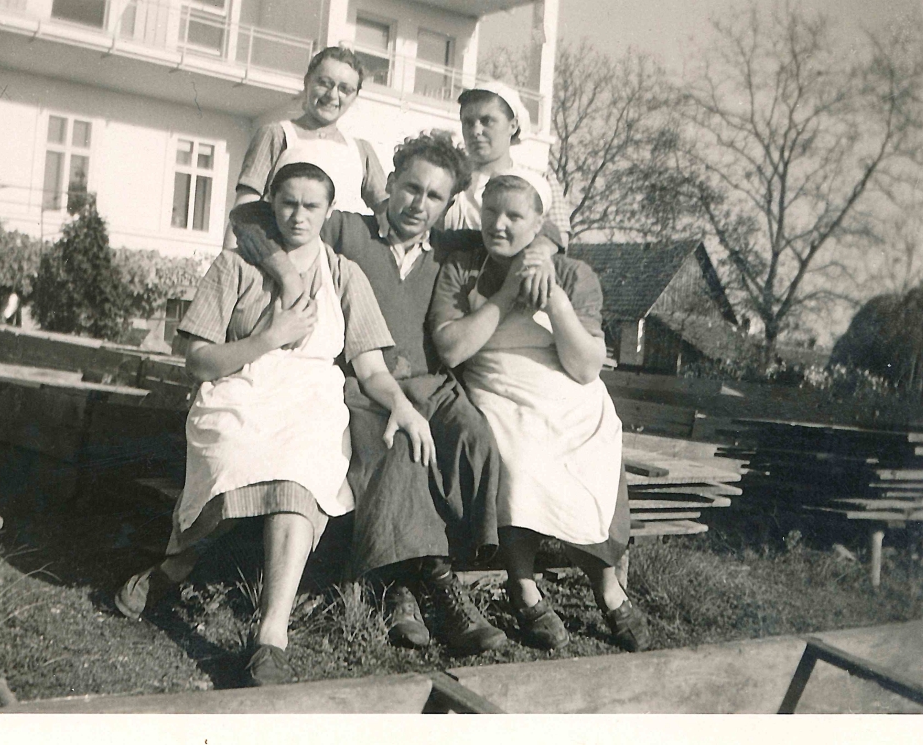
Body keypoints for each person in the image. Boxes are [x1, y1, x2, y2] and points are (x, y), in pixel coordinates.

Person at [230, 132, 560, 656]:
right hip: (361, 383)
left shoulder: (452, 250)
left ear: (449, 205)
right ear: (389, 184)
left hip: (432, 384)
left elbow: (537, 228)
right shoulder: (346, 229)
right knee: (401, 445)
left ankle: (434, 574)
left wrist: (543, 249)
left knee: (476, 440)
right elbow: (248, 218)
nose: (418, 204)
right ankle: (430, 583)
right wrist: (285, 275)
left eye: (434, 197)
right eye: (410, 188)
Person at [114, 154, 433, 687]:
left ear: (329, 212)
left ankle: (271, 636)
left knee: (299, 470)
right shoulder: (235, 266)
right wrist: (268, 337)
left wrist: (401, 405)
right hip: (236, 389)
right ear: (272, 205)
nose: (298, 216)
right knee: (236, 453)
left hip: (310, 398)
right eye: (287, 203)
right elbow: (197, 359)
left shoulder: (342, 273)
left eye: (311, 206)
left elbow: (371, 368)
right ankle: (174, 568)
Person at [429, 170, 649, 653]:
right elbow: (451, 350)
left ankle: (608, 588)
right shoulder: (464, 267)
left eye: (514, 216)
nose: (499, 224)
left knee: (592, 445)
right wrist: (508, 295)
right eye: (491, 212)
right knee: (522, 458)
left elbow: (587, 368)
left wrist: (555, 299)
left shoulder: (573, 272)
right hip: (499, 384)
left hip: (567, 386)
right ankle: (523, 586)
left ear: (538, 225)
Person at [225, 45, 386, 250]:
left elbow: (387, 210)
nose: (332, 95)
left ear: (355, 96)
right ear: (307, 82)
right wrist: (229, 259)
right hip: (283, 256)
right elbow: (244, 208)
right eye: (324, 83)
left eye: (345, 89)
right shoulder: (278, 134)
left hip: (341, 262)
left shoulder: (361, 150)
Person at [444, 81, 572, 250]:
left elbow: (560, 238)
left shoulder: (541, 180)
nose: (475, 131)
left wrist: (542, 247)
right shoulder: (449, 178)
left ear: (513, 126)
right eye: (468, 122)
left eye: (487, 121)